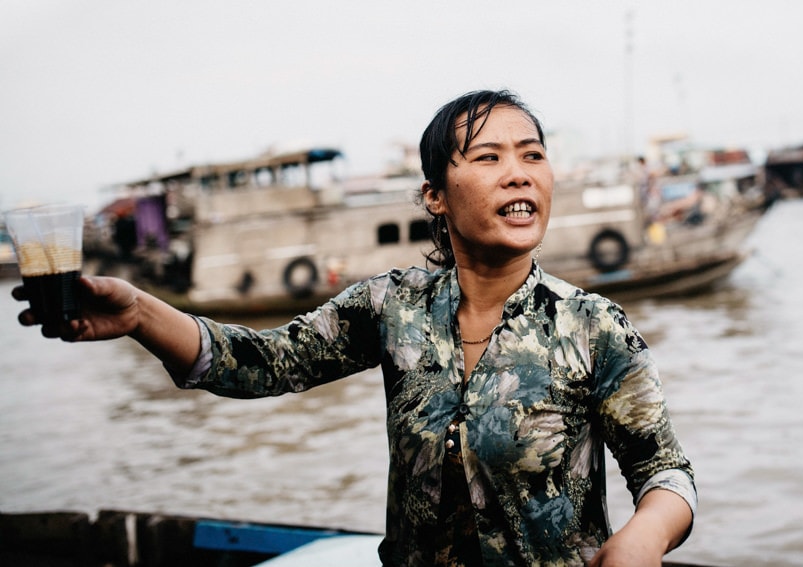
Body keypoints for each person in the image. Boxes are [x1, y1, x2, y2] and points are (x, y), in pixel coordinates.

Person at [14, 90, 696, 566]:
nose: (517, 172)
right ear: (435, 193)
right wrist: (137, 311)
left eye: (532, 154)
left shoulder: (593, 326)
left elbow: (666, 472)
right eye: (487, 157)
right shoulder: (392, 307)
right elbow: (256, 361)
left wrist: (643, 535)